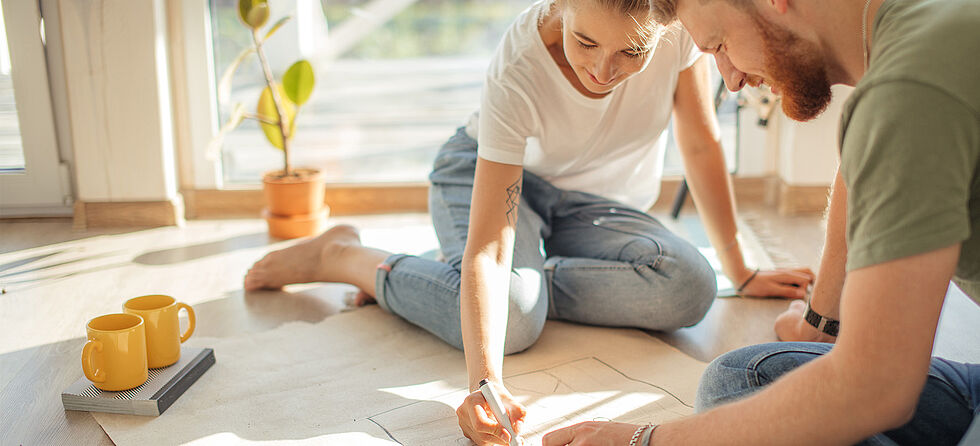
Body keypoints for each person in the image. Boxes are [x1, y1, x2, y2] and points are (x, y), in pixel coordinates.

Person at [245, 0, 813, 444]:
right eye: (585, 40)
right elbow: (492, 247)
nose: (601, 68)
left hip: (587, 205)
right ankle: (344, 257)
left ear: (664, 28)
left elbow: (700, 141)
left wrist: (739, 269)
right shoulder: (519, 64)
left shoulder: (683, 34)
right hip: (484, 174)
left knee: (691, 287)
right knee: (513, 321)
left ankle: (510, 278)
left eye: (631, 52)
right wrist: (482, 383)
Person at [542, 0, 980, 444]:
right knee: (737, 382)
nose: (731, 81)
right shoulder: (907, 31)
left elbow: (875, 386)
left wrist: (644, 441)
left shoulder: (908, 90)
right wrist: (821, 323)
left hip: (891, 388)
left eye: (721, 45)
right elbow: (863, 170)